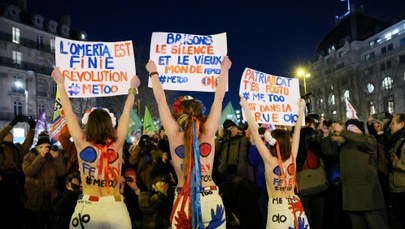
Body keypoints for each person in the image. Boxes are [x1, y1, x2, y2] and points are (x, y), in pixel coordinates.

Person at [146, 56, 231, 228]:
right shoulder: (208, 131)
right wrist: (224, 70)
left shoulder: (174, 134)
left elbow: (161, 100)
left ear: (178, 113)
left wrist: (153, 72)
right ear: (199, 111)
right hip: (211, 199)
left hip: (184, 199)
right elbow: (219, 99)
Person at [51, 66, 140, 228]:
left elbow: (69, 112)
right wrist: (132, 89)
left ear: (89, 124)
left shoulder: (81, 141)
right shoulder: (117, 142)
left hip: (87, 207)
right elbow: (126, 114)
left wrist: (60, 84)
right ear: (110, 124)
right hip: (114, 207)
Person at [240, 96, 310, 228]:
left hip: (278, 208)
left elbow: (254, 131)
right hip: (296, 205)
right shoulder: (292, 156)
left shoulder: (269, 160)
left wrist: (246, 107)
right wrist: (301, 109)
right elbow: (298, 131)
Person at [329, 119, 389, 229]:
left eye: (351, 127)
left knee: (377, 224)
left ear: (360, 130)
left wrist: (343, 131)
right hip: (351, 196)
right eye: (347, 128)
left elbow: (362, 141)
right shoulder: (344, 144)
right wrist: (326, 135)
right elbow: (328, 151)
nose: (348, 130)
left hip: (369, 196)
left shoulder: (369, 139)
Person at [23, 131, 67, 229]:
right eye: (43, 146)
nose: (46, 149)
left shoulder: (52, 158)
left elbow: (62, 173)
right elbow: (29, 172)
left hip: (51, 201)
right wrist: (41, 156)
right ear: (37, 147)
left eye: (48, 146)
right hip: (34, 201)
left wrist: (58, 158)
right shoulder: (29, 156)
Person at [0, 115, 35, 229]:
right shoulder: (1, 147)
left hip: (15, 182)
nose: (10, 134)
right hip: (3, 182)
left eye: (11, 134)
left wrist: (32, 128)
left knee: (15, 207)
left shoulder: (15, 149)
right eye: (7, 134)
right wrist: (12, 124)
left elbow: (27, 144)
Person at [386, 113, 405, 229]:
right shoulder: (397, 139)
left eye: (393, 123)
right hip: (397, 187)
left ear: (402, 124)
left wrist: (396, 161)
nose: (390, 126)